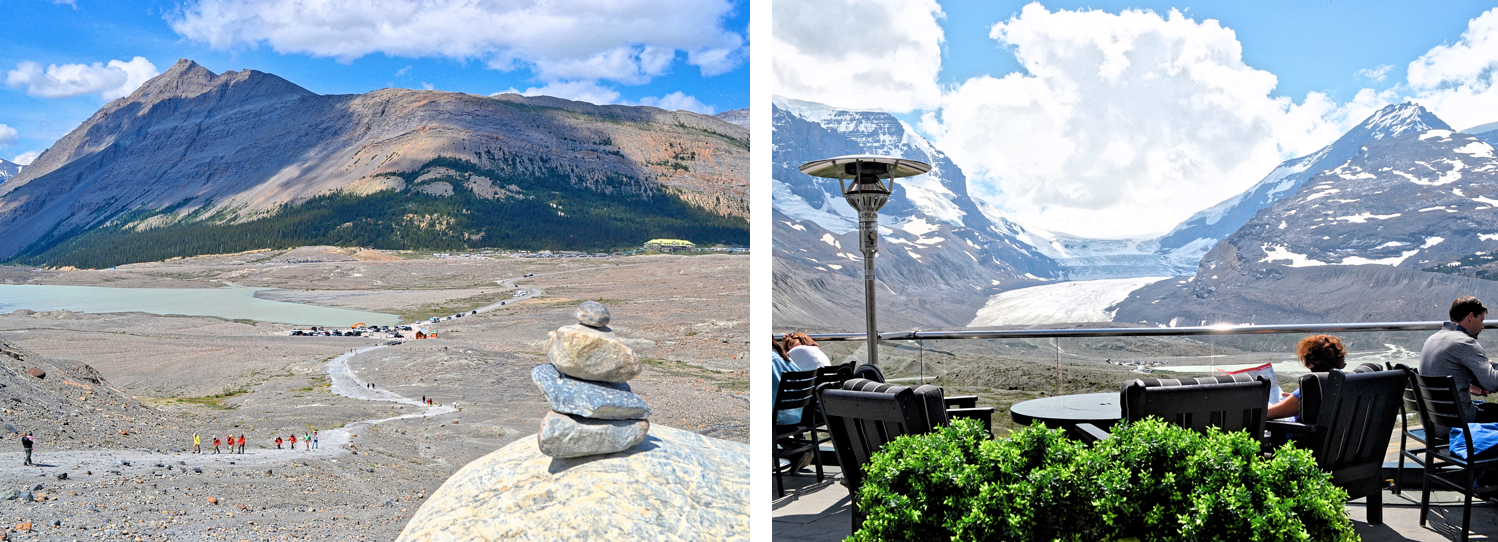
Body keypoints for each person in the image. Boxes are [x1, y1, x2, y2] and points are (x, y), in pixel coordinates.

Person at [1420, 296, 1498, 424]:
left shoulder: (1433, 339)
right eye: (1481, 320)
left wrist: (1471, 384)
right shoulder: (1465, 342)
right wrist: (1494, 366)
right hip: (1457, 422)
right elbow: (1493, 383)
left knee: (1485, 406)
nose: (1483, 326)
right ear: (1471, 316)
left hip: (1433, 421)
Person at [1267, 335, 1347, 420]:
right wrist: (1299, 399)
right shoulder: (1344, 383)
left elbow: (1267, 413)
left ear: (1310, 362)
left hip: (1295, 432)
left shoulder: (1311, 387)